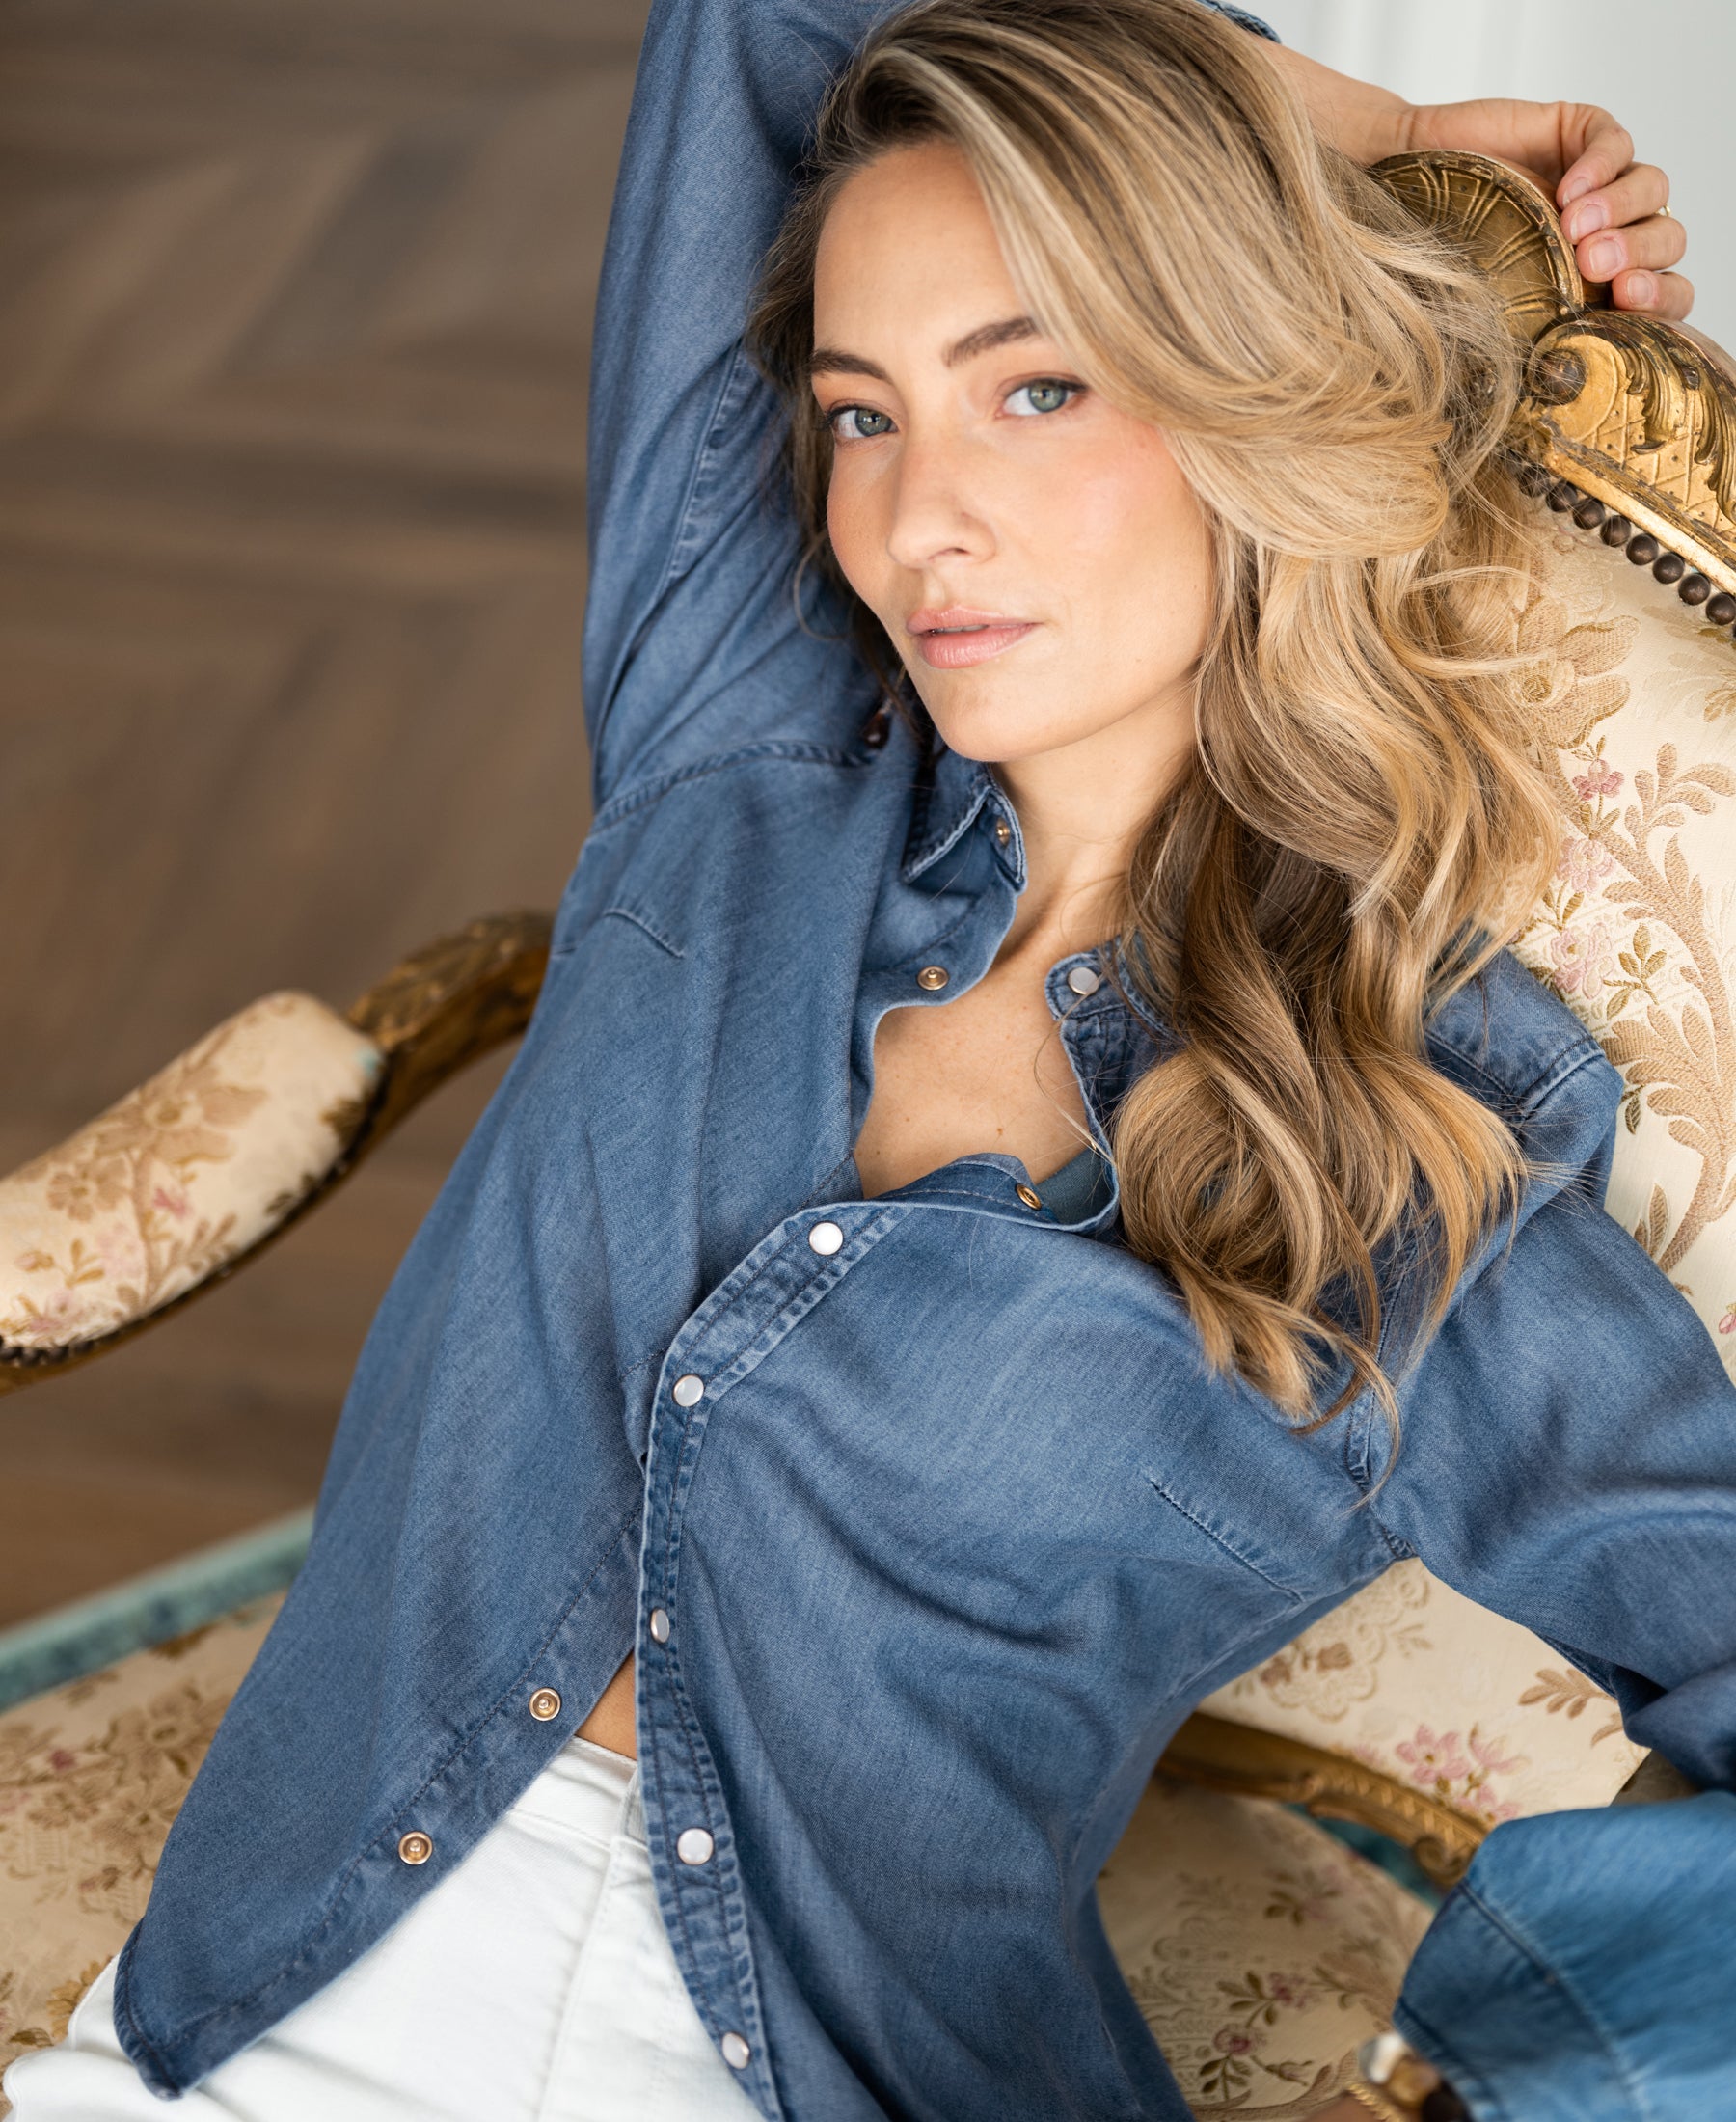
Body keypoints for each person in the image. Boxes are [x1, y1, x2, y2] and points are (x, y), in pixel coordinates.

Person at [5, 1, 1727, 2118]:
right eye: (862, 415)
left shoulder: (1412, 1130)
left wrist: (1537, 2064)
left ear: (1247, 390)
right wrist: (1367, 126)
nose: (923, 524)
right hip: (242, 2013)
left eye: (1035, 385)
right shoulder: (738, 744)